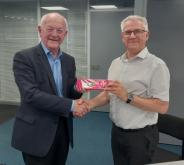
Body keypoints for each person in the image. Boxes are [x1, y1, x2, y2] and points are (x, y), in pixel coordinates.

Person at [87, 15, 170, 165]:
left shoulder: (157, 66)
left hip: (141, 136)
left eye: (137, 31)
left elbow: (162, 106)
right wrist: (89, 104)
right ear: (122, 37)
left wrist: (127, 96)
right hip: (117, 132)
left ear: (147, 35)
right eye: (127, 32)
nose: (132, 35)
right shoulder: (115, 63)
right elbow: (108, 94)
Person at [11, 12, 89, 165]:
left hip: (62, 127)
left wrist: (79, 87)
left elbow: (68, 92)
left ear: (65, 34)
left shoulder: (68, 60)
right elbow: (31, 95)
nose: (55, 34)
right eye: (50, 29)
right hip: (36, 130)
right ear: (40, 30)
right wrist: (72, 106)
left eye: (59, 30)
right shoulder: (24, 57)